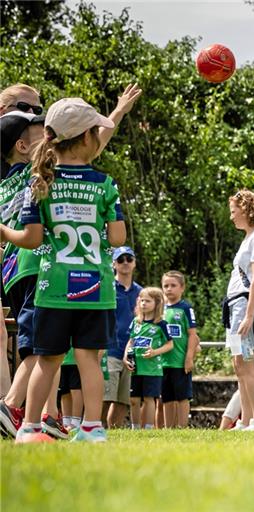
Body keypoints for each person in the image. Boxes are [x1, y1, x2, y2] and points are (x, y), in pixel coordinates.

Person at [2, 95, 139, 443]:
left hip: (53, 287)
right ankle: (92, 427)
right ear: (90, 138)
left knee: (46, 359)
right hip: (95, 287)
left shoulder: (40, 183)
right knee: (89, 359)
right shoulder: (105, 184)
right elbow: (117, 237)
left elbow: (31, 240)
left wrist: (2, 231)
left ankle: (30, 426)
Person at [0, 109, 68, 439]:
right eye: (41, 129)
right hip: (32, 265)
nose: (48, 133)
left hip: (11, 272)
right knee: (41, 346)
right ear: (23, 146)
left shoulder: (4, 185)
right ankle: (10, 406)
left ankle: (46, 418)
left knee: (41, 342)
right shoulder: (32, 172)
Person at [222, 189, 254, 431]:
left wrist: (249, 316)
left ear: (246, 209)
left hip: (243, 303)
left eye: (234, 211)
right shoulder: (249, 237)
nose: (231, 217)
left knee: (247, 362)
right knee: (239, 365)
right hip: (234, 304)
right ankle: (246, 419)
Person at [123, 287, 173, 429]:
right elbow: (131, 341)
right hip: (136, 367)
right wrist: (126, 356)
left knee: (149, 399)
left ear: (157, 303)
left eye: (148, 301)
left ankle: (148, 428)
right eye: (142, 300)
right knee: (133, 399)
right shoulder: (136, 322)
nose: (143, 303)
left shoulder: (161, 324)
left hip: (152, 369)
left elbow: (170, 345)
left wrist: (155, 352)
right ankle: (135, 427)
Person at [103, 246, 141, 428]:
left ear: (134, 263)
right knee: (105, 397)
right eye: (121, 259)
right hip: (110, 348)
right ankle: (96, 428)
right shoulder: (107, 287)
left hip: (133, 351)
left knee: (123, 399)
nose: (125, 263)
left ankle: (114, 433)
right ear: (114, 264)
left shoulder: (141, 293)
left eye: (129, 259)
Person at [161, 271, 199, 428]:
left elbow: (192, 335)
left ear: (182, 288)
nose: (169, 289)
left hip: (180, 361)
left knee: (182, 397)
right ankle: (169, 428)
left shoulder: (185, 308)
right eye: (166, 285)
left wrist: (189, 357)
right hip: (163, 362)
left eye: (173, 285)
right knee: (167, 397)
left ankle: (182, 427)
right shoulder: (160, 309)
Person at [58, 348, 83, 433]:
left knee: (75, 390)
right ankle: (66, 422)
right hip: (61, 361)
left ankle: (76, 422)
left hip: (76, 360)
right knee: (64, 392)